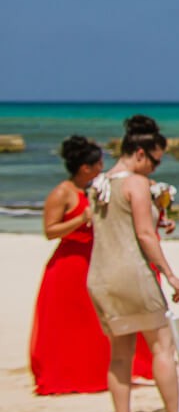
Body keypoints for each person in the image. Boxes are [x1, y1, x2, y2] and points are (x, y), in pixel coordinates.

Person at [86, 115, 179, 412]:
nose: (156, 168)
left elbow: (114, 226)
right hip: (134, 274)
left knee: (119, 353)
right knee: (162, 347)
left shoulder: (100, 183)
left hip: (101, 275)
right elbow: (143, 235)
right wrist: (170, 274)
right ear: (141, 154)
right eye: (155, 161)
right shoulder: (137, 183)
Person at [30, 136, 111, 394]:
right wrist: (81, 219)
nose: (102, 167)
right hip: (68, 264)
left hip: (92, 260)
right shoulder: (62, 192)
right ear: (84, 167)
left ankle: (92, 373)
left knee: (92, 321)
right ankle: (64, 375)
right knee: (66, 323)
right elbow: (50, 231)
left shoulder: (91, 190)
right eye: (98, 163)